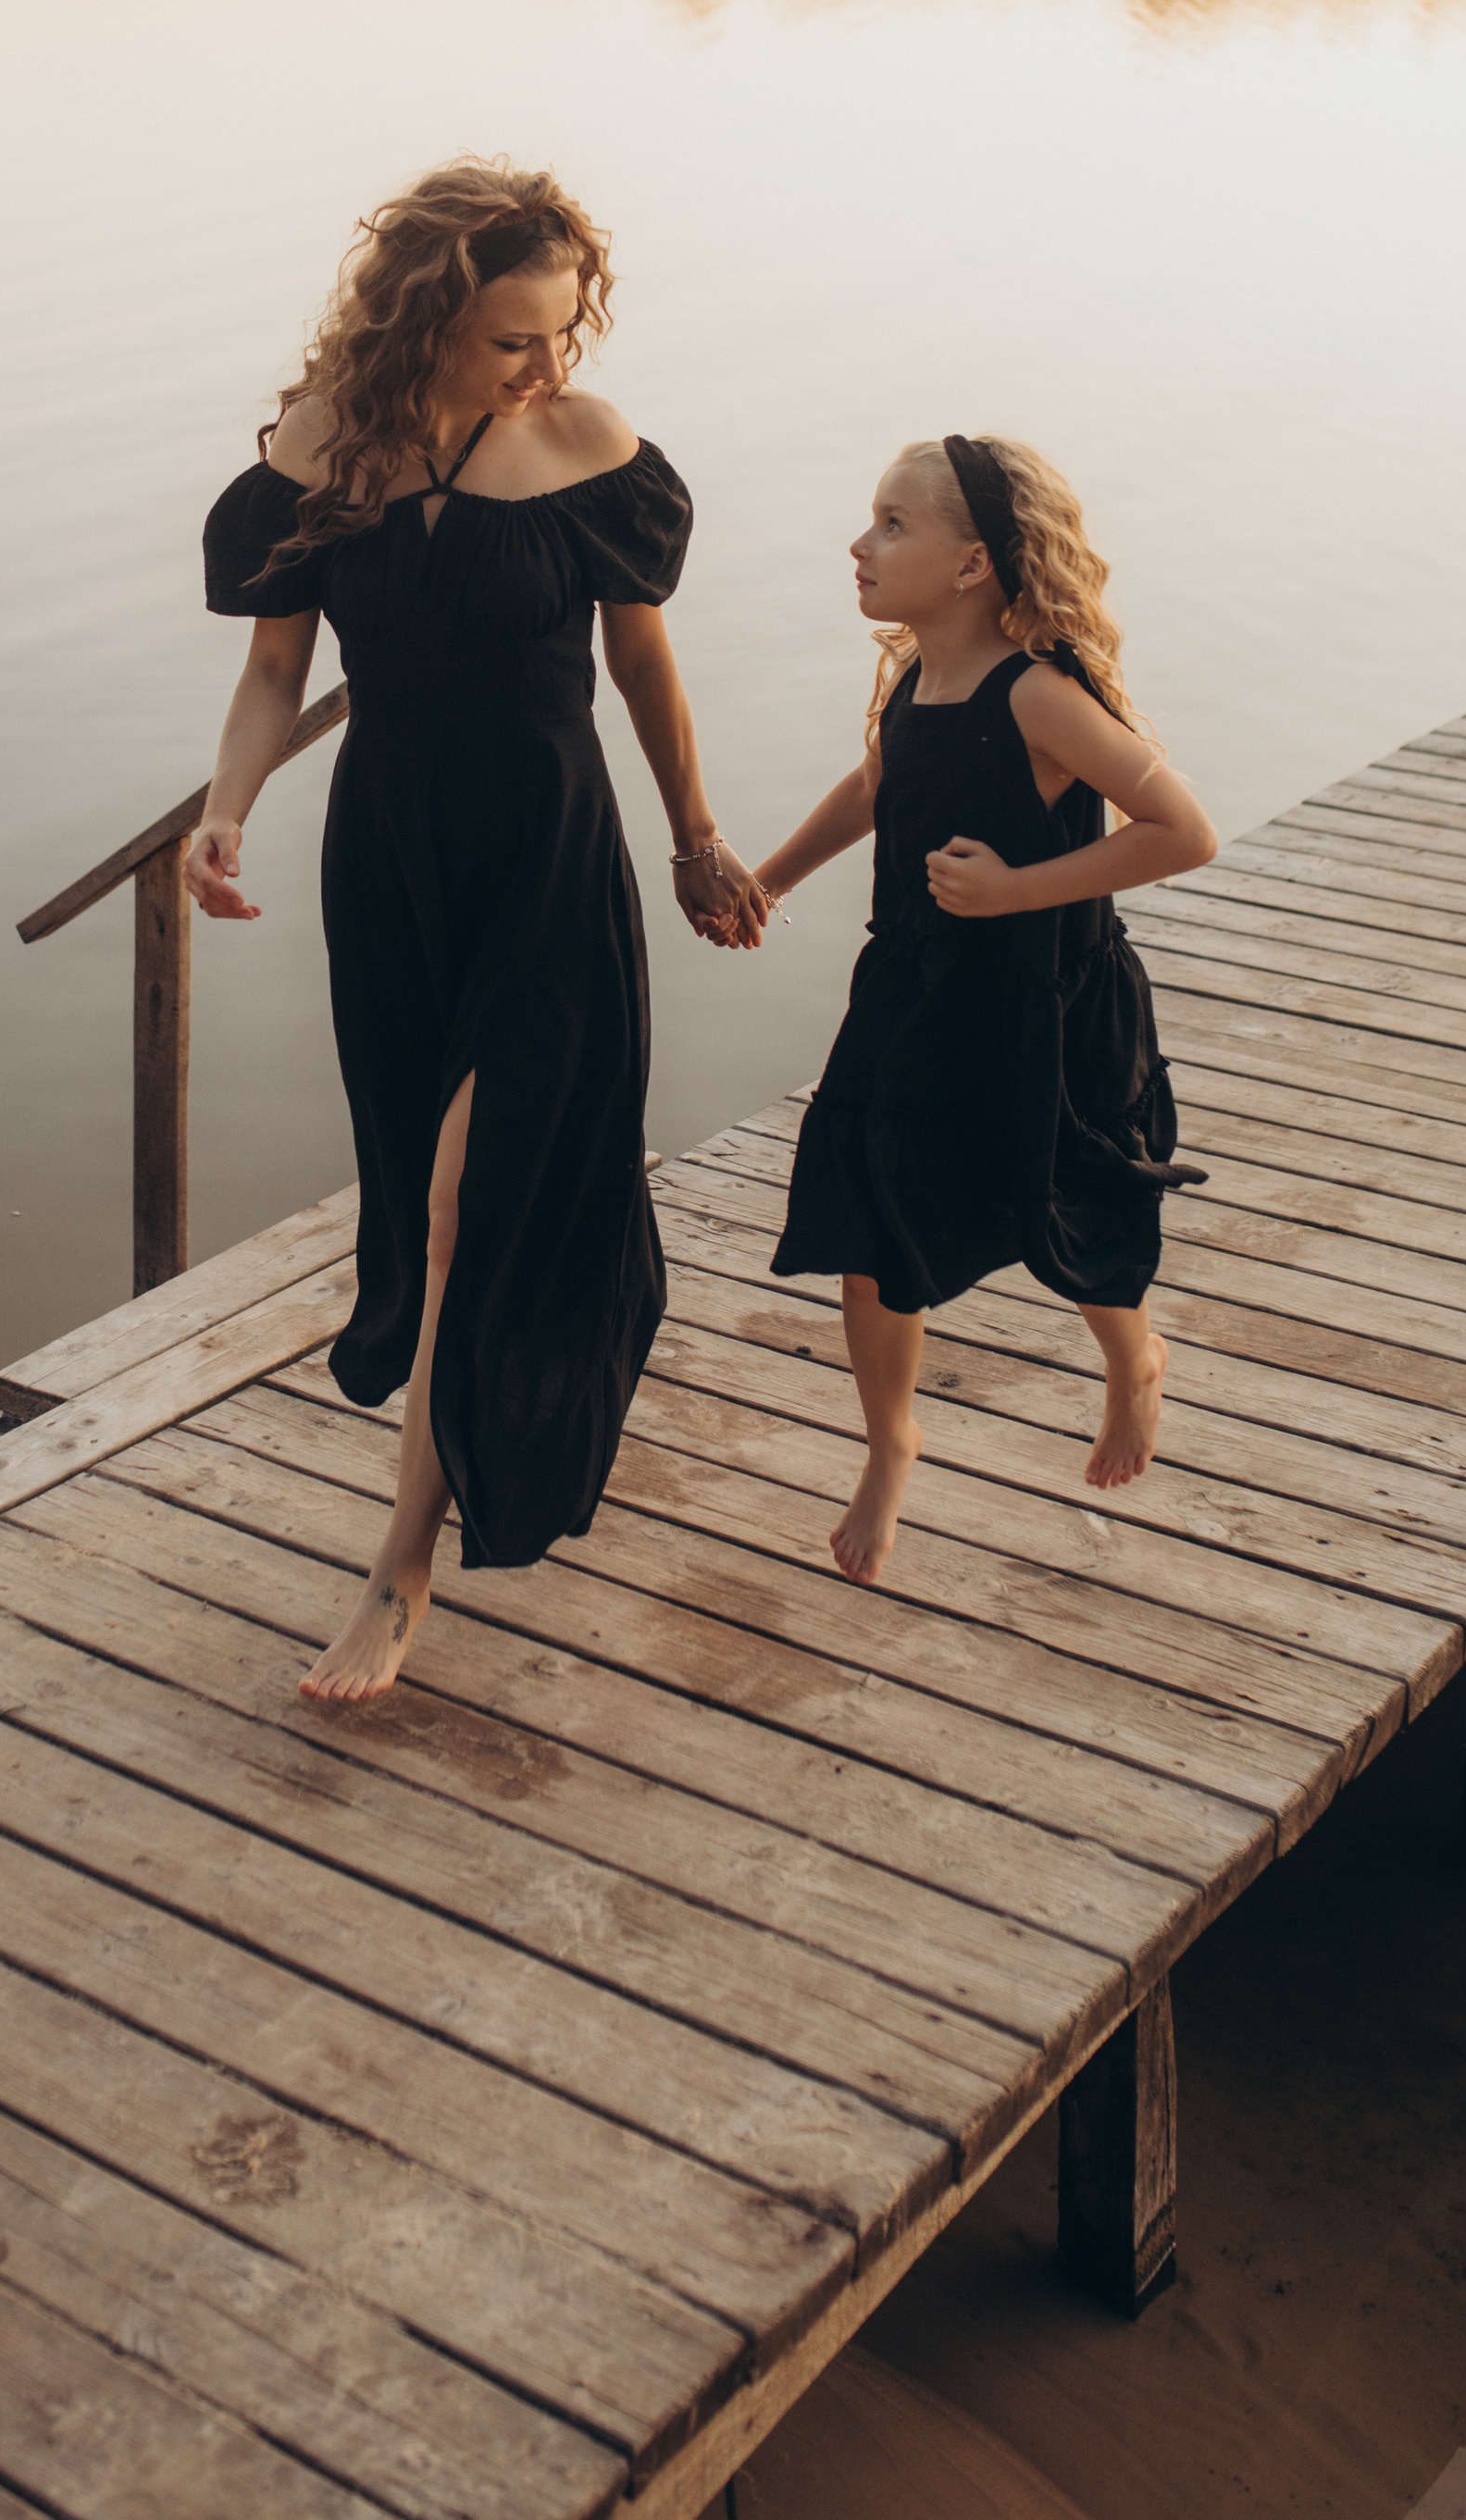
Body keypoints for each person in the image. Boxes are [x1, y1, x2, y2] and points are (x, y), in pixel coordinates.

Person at [192, 158, 766, 1699]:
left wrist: (694, 836)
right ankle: (500, 1406)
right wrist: (225, 809)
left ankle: (401, 1565)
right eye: (514, 337)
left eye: (561, 330)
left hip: (548, 857)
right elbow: (274, 669)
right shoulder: (320, 448)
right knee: (423, 1185)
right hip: (391, 859)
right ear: (426, 317)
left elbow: (642, 667)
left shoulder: (587, 448)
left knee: (467, 1202)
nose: (544, 363)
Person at [746, 432, 1216, 1588]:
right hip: (914, 994)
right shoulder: (918, 679)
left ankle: (1133, 1358)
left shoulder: (1040, 697)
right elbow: (878, 784)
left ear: (970, 564)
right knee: (866, 1213)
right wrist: (770, 878)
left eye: (892, 524)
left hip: (1043, 1004)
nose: (860, 544)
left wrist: (1015, 891)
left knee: (1068, 1199)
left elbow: (1183, 833)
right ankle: (889, 1442)